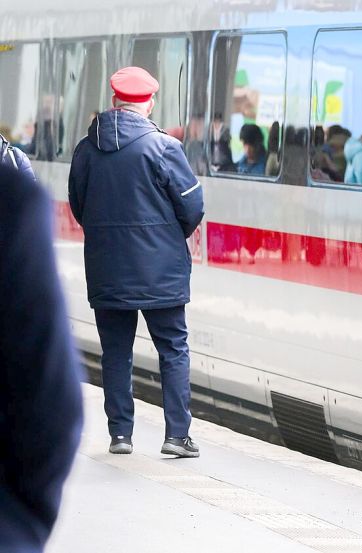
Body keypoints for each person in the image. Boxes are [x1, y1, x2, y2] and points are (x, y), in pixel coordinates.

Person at [68, 66, 204, 458]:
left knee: (116, 352)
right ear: (149, 103)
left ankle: (121, 435)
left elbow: (80, 206)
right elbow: (192, 206)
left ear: (114, 102)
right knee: (173, 348)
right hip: (161, 269)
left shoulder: (85, 149)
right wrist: (165, 237)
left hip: (107, 266)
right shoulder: (164, 148)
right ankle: (177, 436)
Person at [0, 165, 84, 553]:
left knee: (118, 350)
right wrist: (20, 521)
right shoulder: (10, 198)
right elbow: (53, 410)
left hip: (109, 277)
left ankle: (124, 428)